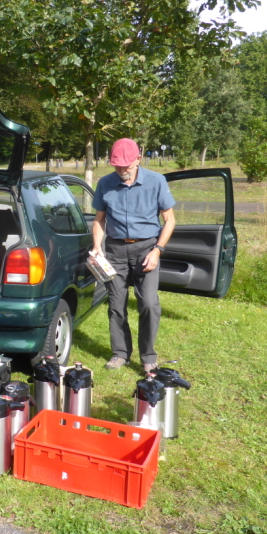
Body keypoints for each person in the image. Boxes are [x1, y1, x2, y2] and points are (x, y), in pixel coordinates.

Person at [90, 138, 176, 373]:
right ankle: (120, 354)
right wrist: (97, 245)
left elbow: (170, 220)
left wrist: (157, 251)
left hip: (147, 249)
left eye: (125, 166)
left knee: (148, 303)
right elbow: (99, 220)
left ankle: (148, 356)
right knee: (116, 305)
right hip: (115, 251)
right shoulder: (105, 183)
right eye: (116, 166)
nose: (121, 171)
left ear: (138, 159)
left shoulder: (156, 181)